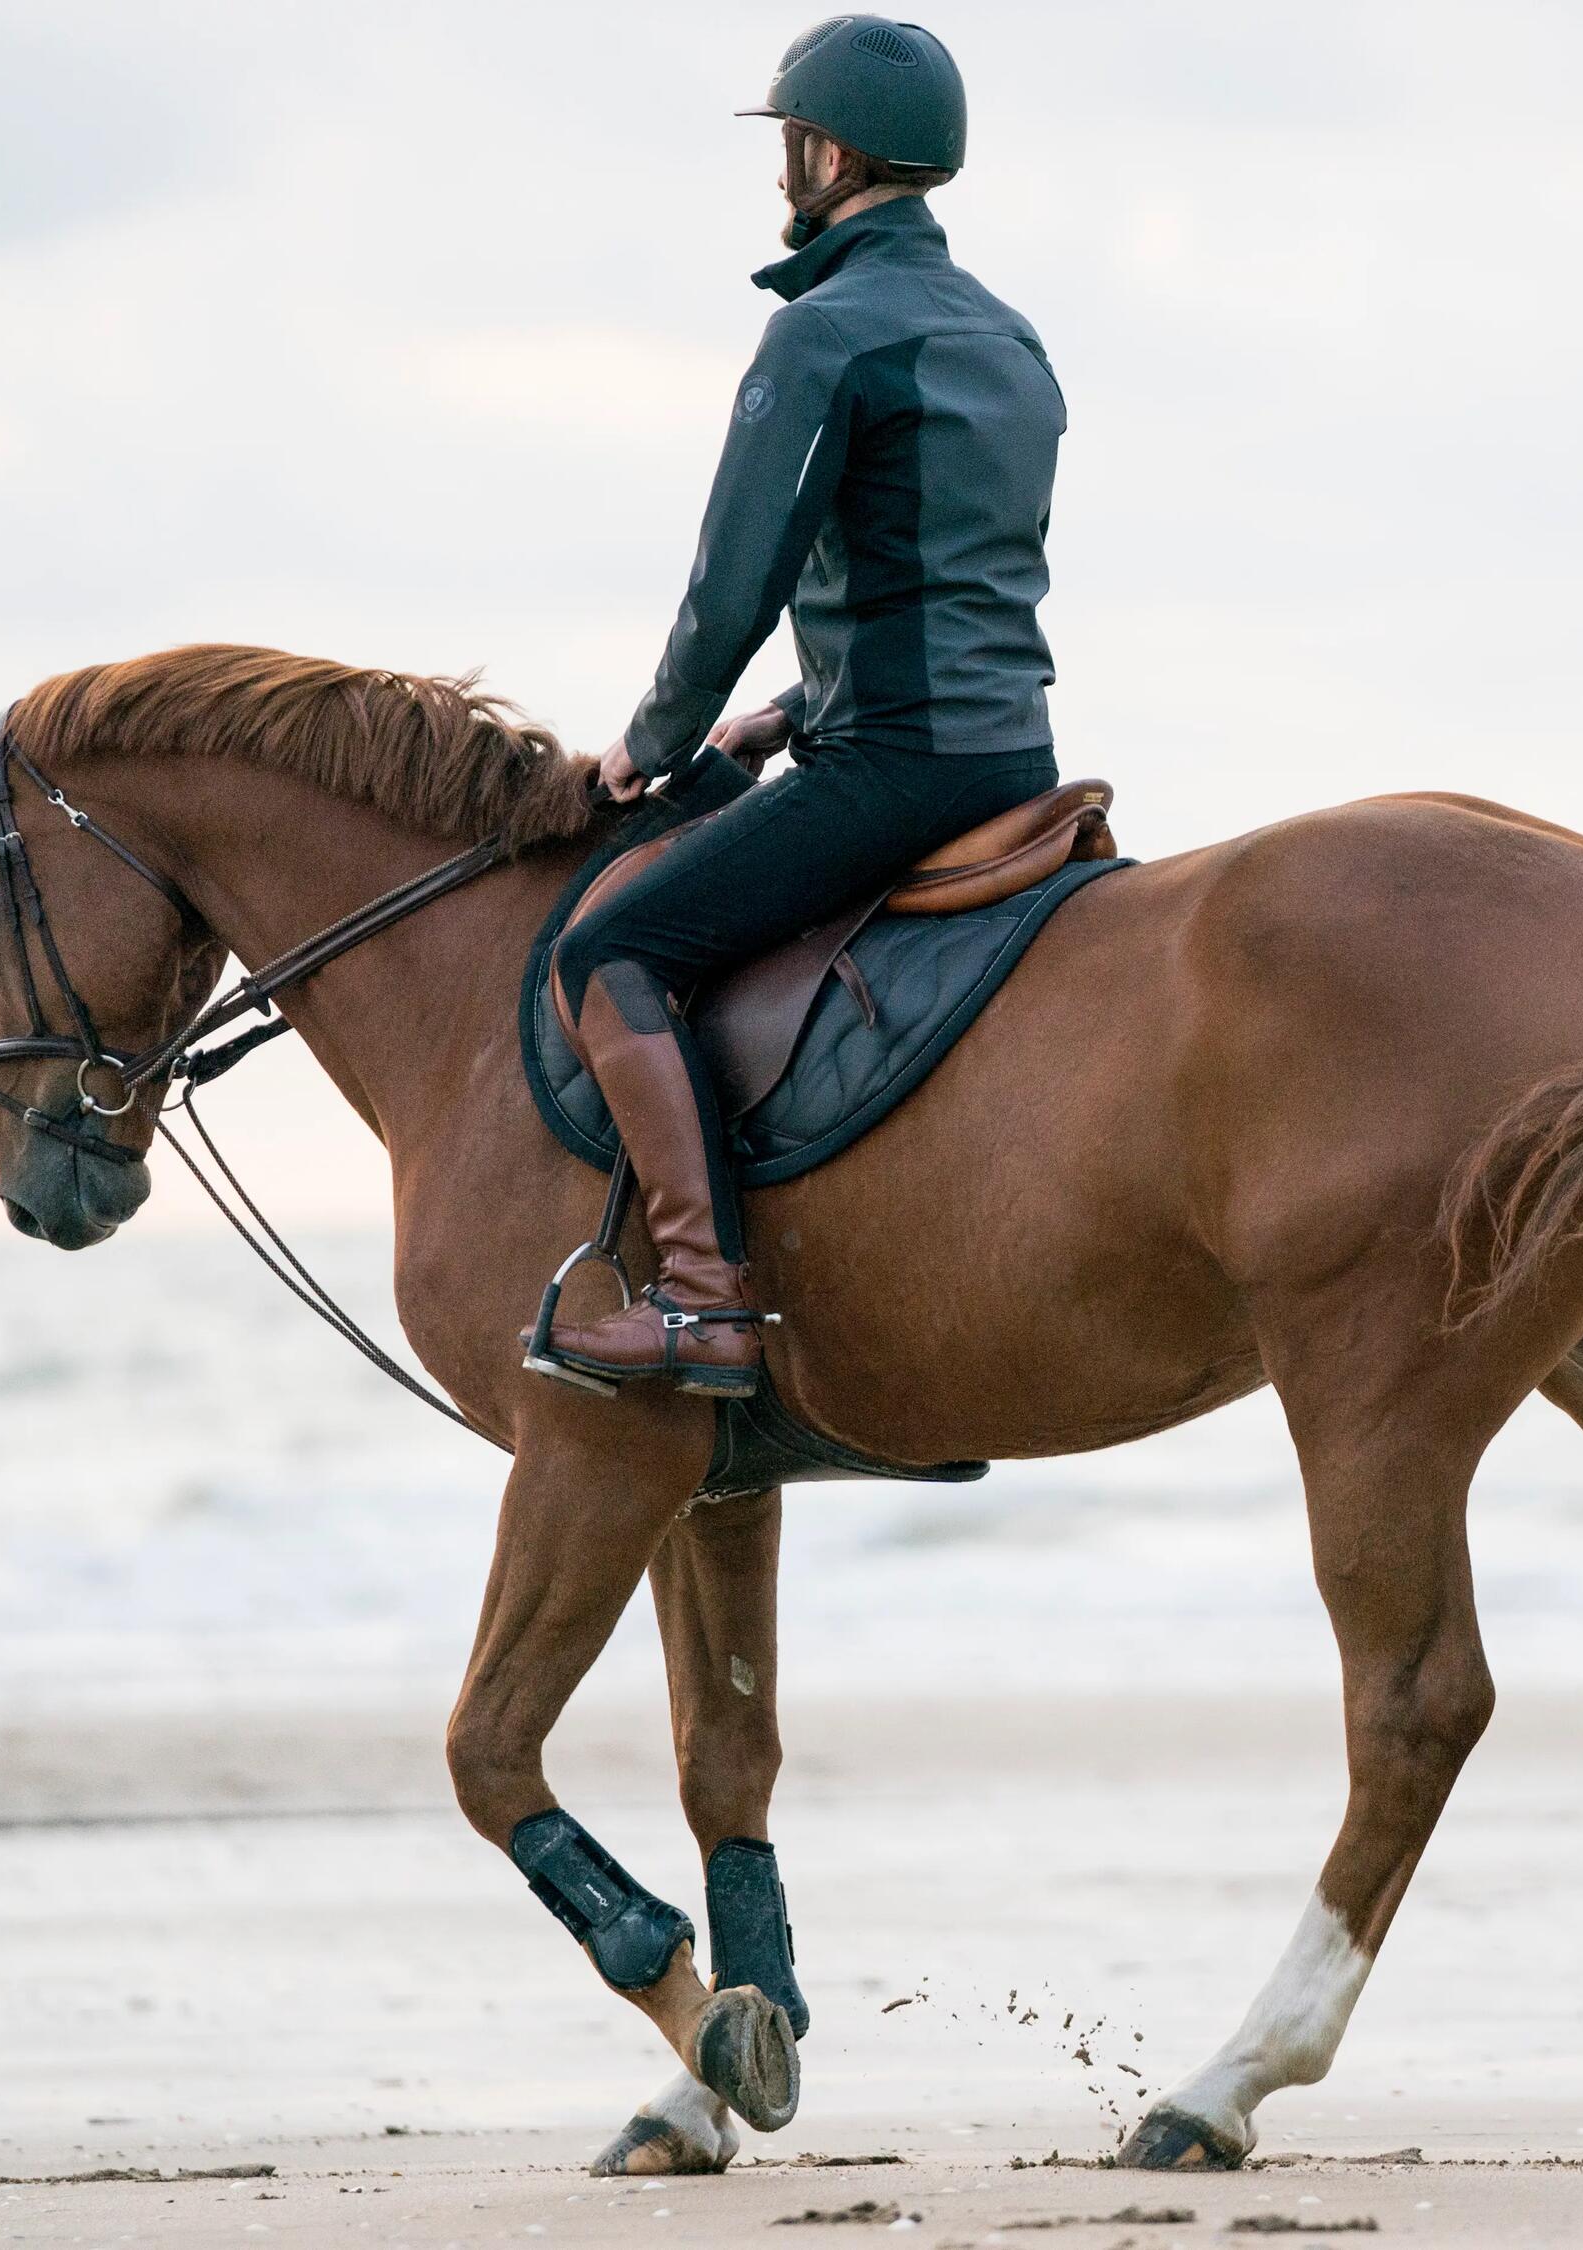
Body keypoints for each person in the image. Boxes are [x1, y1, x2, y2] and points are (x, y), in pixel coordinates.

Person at [533, 15, 1068, 1399]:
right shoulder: (1010, 337)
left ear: (823, 152)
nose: (784, 168)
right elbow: (946, 585)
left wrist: (654, 745)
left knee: (610, 950)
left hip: (895, 775)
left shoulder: (823, 335)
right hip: (1015, 755)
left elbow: (732, 586)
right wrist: (777, 721)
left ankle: (706, 1302)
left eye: (788, 144)